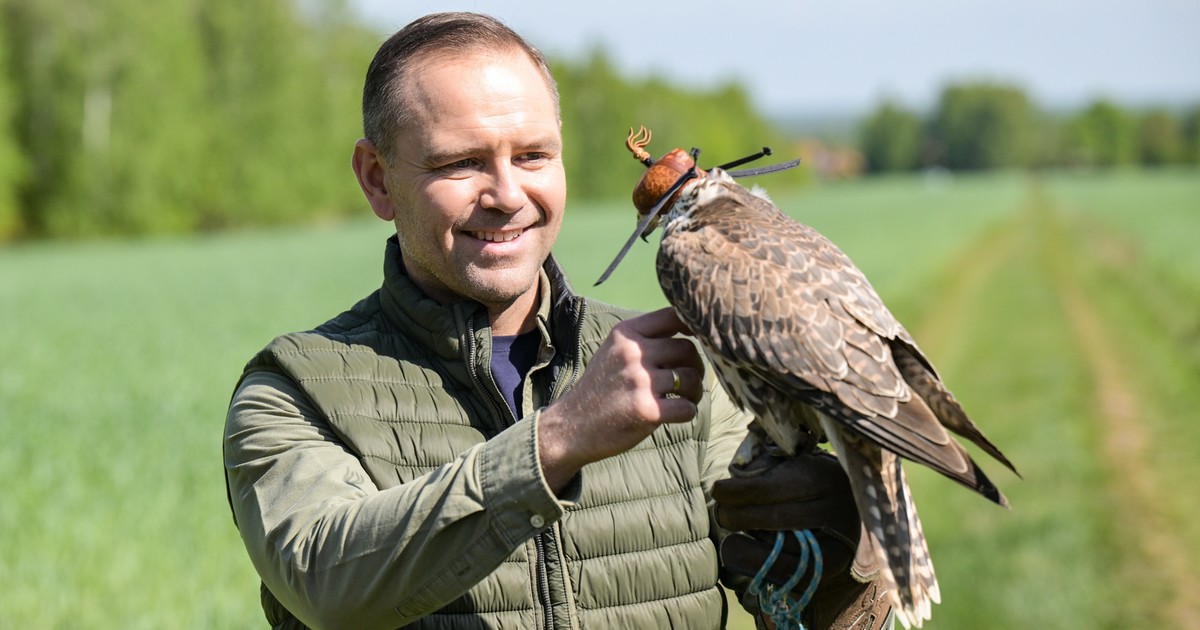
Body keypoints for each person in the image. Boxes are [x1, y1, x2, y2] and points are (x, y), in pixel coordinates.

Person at [223, 11, 892, 629]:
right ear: (377, 180)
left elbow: (794, 598)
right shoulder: (297, 391)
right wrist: (561, 438)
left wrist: (842, 563)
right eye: (462, 162)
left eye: (533, 156)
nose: (508, 194)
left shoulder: (678, 374)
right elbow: (323, 582)